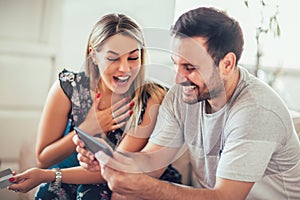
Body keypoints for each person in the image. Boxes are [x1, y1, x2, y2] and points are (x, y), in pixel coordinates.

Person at [74, 6, 300, 200]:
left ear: (227, 64)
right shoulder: (183, 95)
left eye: (190, 68)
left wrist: (146, 187)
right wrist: (112, 162)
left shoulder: (256, 111)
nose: (178, 79)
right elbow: (152, 159)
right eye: (176, 64)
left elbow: (226, 197)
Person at [8, 13, 181, 199]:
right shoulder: (69, 88)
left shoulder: (151, 98)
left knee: (91, 193)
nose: (125, 69)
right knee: (48, 192)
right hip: (76, 175)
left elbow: (117, 169)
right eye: (113, 58)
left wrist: (52, 175)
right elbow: (43, 158)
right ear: (94, 56)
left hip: (121, 176)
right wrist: (89, 127)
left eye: (133, 58)